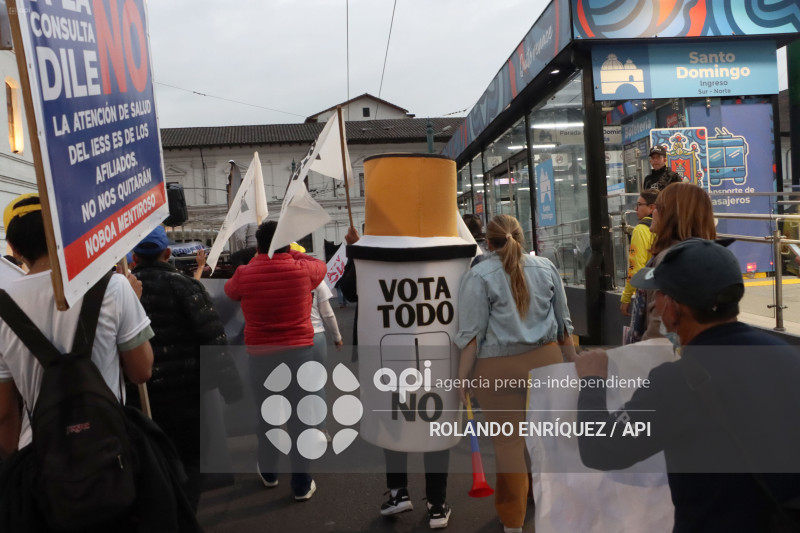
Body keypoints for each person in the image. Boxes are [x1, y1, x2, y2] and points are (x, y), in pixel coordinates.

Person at [575, 238, 800, 533]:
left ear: (676, 307)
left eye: (661, 294)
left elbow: (600, 448)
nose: (654, 303)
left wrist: (592, 381)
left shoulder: (677, 382)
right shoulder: (784, 355)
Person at [455, 214, 575, 533]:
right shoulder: (546, 267)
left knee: (508, 445)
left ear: (488, 243)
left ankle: (513, 523)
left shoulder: (478, 275)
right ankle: (554, 505)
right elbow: (564, 325)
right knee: (547, 440)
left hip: (497, 367)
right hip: (546, 362)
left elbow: (471, 335)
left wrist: (462, 378)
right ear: (521, 237)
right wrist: (575, 366)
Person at [338, 226, 453, 529]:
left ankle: (399, 491)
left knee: (394, 422)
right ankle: (437, 503)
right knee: (434, 423)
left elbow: (349, 291)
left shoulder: (373, 258)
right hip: (433, 354)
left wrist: (357, 253)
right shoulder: (435, 254)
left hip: (386, 355)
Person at [131, 225, 241, 510]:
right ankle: (186, 513)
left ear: (133, 259)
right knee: (192, 459)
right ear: (167, 253)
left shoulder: (123, 292)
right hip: (188, 393)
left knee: (153, 461)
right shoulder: (186, 286)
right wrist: (231, 388)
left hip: (141, 397)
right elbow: (213, 337)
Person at [224, 220, 326, 501]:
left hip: (261, 358)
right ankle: (301, 484)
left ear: (257, 245)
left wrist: (259, 258)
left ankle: (269, 471)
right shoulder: (302, 269)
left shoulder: (245, 273)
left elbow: (230, 292)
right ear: (288, 243)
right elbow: (321, 268)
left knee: (268, 415)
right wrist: (292, 252)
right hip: (298, 355)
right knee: (300, 418)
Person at [630, 182, 716, 342]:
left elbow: (659, 333)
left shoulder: (670, 261)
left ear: (671, 215)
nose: (653, 212)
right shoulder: (705, 255)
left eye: (658, 208)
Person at [309, 280, 343, 441]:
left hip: (291, 338)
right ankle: (322, 429)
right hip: (316, 336)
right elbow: (328, 313)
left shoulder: (281, 278)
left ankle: (301, 430)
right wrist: (337, 337)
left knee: (293, 385)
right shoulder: (315, 280)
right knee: (316, 384)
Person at [620, 189, 658, 316]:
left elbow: (635, 267)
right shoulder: (668, 226)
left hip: (649, 295)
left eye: (639, 205)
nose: (636, 209)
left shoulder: (641, 229)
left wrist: (626, 297)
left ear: (652, 207)